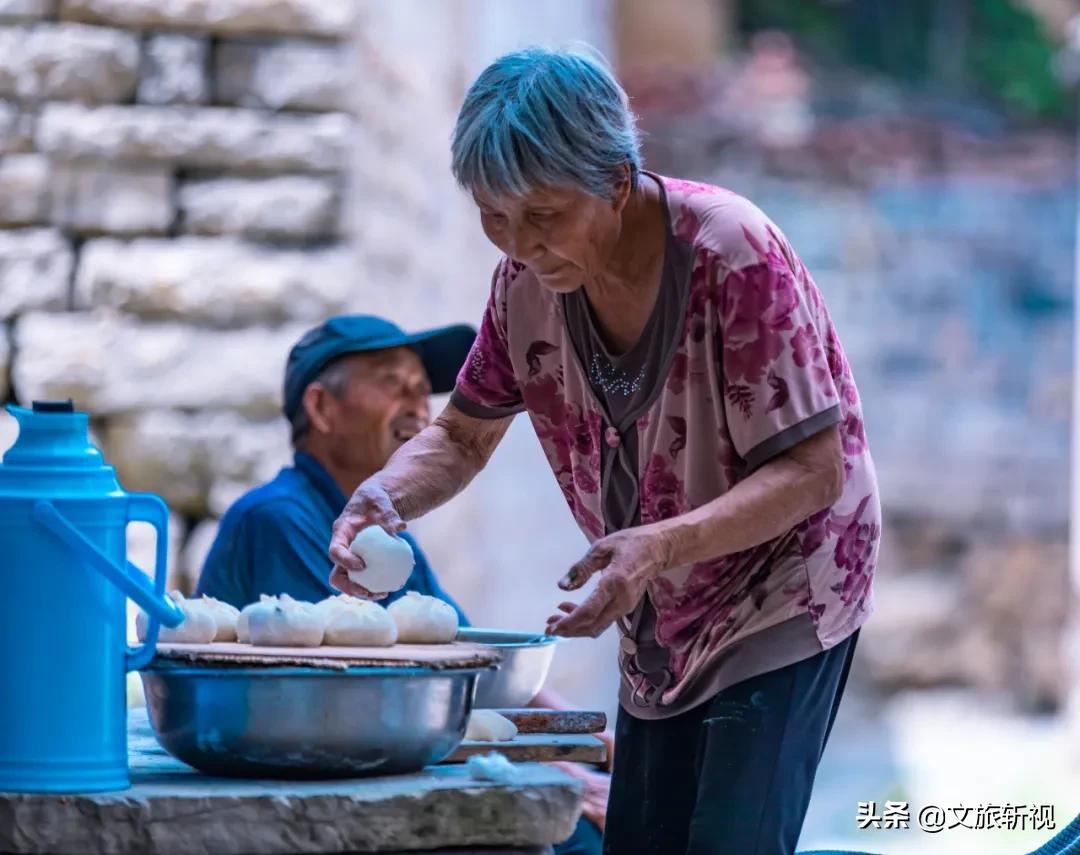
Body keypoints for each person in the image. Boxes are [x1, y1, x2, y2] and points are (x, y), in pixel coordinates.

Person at [328, 47, 879, 855]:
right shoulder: (524, 284)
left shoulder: (732, 254)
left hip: (783, 589)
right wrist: (386, 497)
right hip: (658, 608)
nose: (518, 244)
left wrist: (658, 546)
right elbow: (462, 433)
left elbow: (811, 471)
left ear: (615, 182)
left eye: (542, 215)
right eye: (494, 216)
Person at [196, 314, 606, 854]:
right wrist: (562, 774)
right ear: (321, 408)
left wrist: (590, 741)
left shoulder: (383, 537)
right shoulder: (279, 518)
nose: (420, 407)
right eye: (394, 383)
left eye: (423, 390)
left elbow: (478, 663)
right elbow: (378, 700)